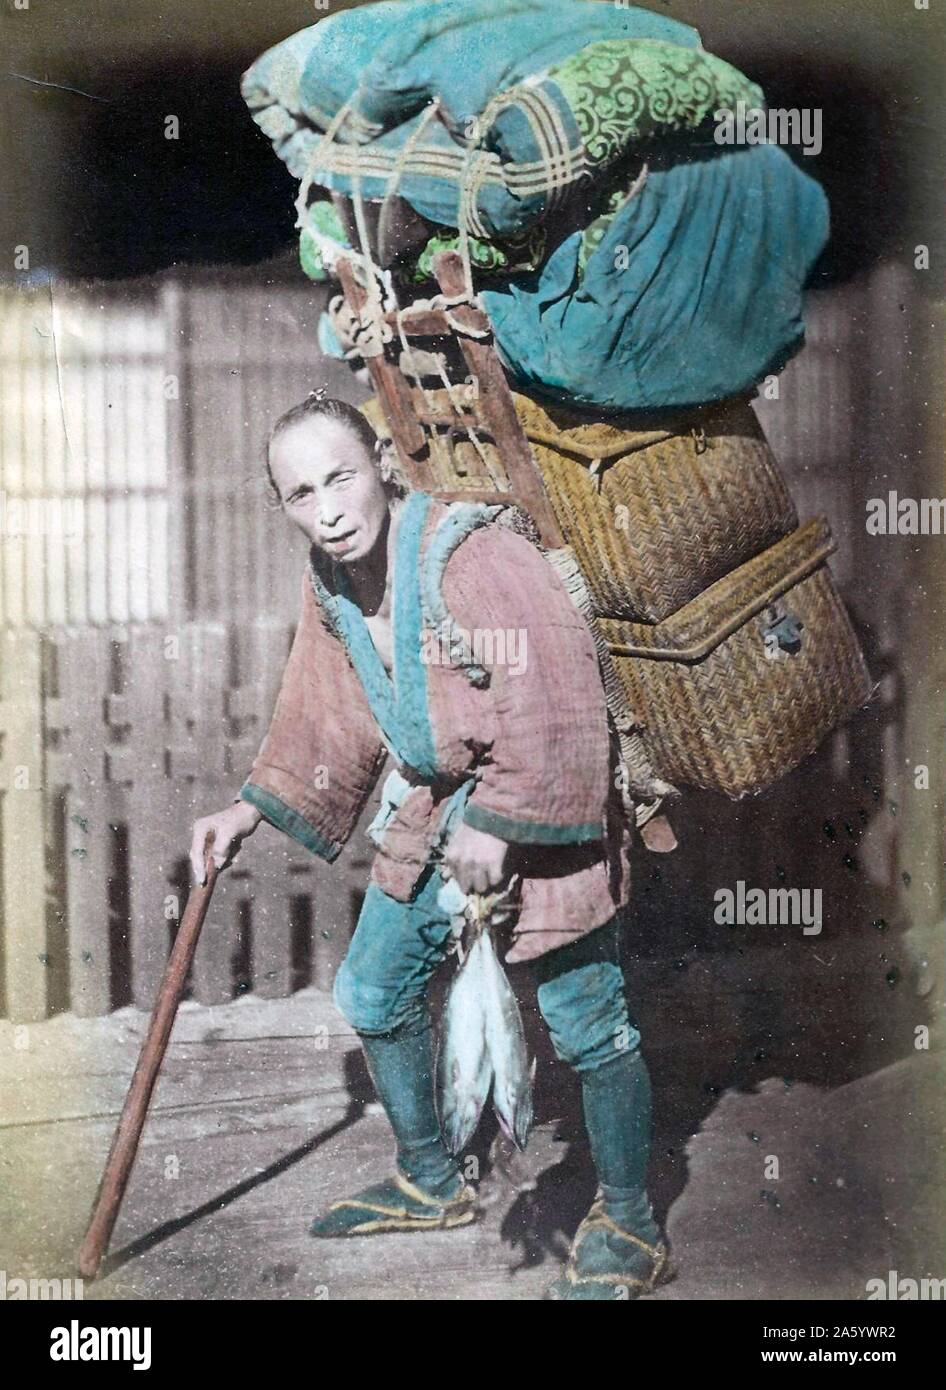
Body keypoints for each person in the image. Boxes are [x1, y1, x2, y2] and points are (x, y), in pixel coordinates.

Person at [189, 394, 672, 1300]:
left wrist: (498, 821)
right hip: (440, 803)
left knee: (588, 1023)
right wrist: (248, 810)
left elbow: (560, 697)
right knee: (371, 989)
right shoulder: (330, 580)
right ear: (283, 506)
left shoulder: (472, 552)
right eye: (299, 493)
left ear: (379, 462)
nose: (327, 508)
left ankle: (631, 1224)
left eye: (339, 477)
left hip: (537, 797)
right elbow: (321, 709)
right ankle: (432, 1177)